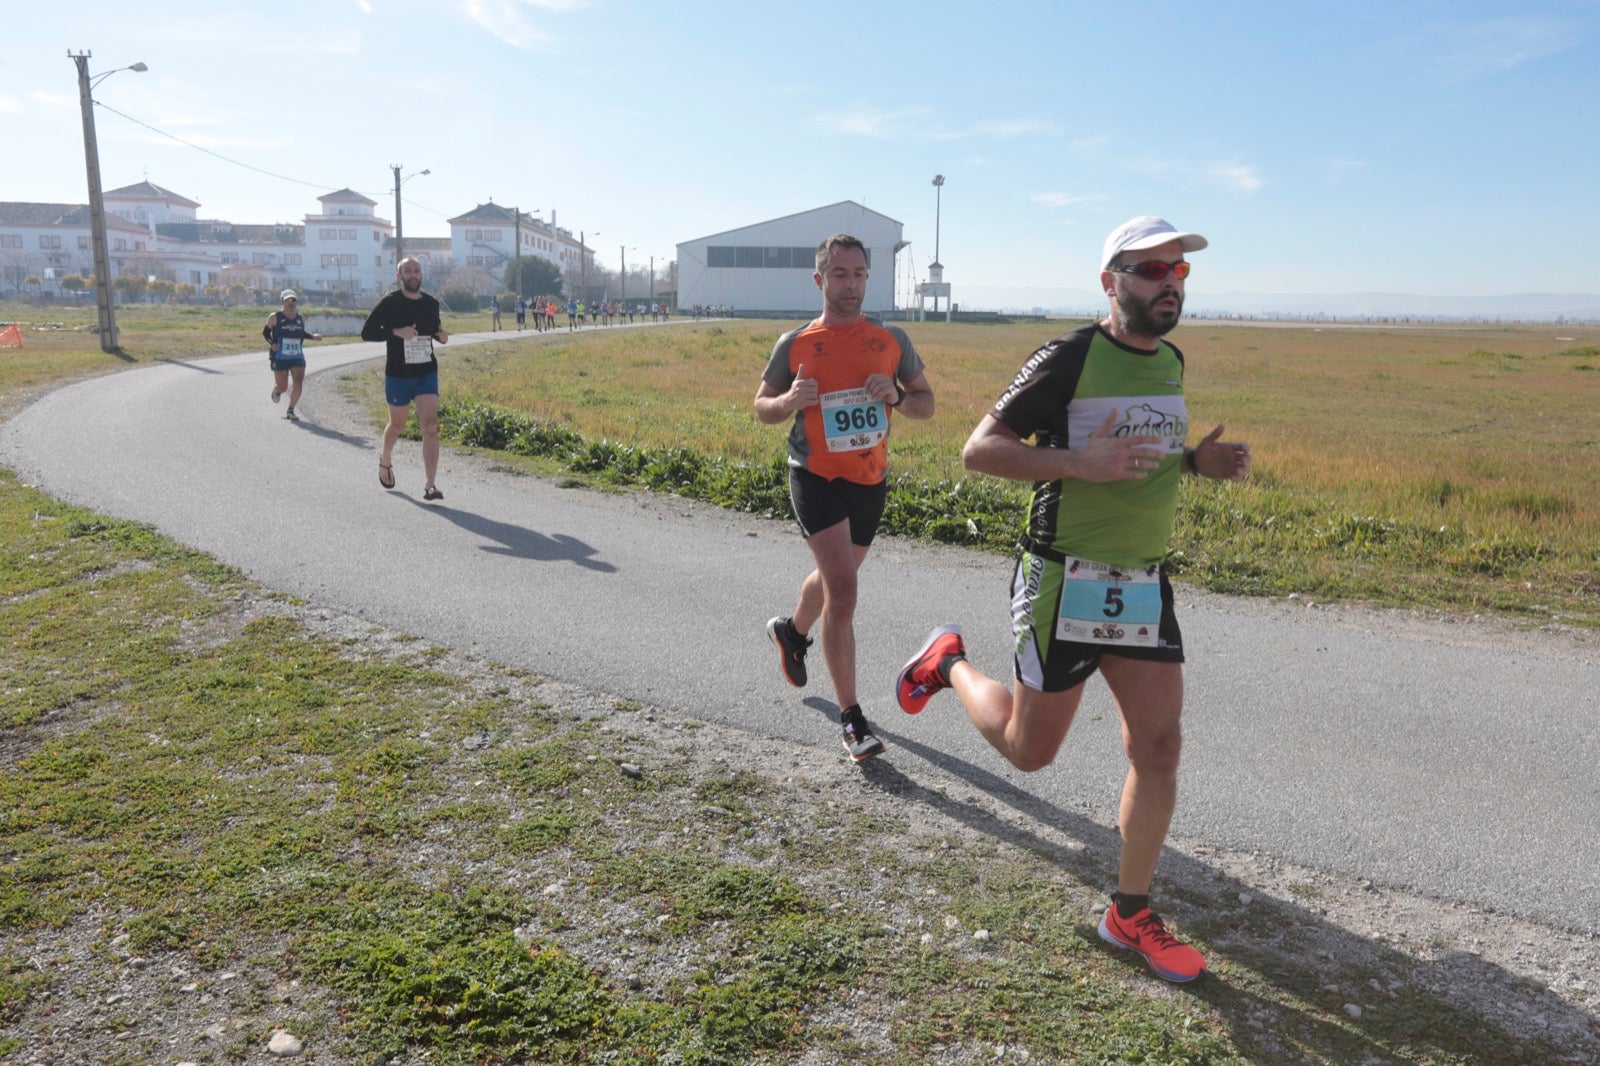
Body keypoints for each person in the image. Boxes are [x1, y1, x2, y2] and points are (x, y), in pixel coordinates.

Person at [893, 216, 1250, 983]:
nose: (1170, 283)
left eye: (1179, 271)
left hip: (1142, 582)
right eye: (1151, 270)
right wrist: (1079, 463)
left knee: (1158, 748)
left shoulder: (1170, 361)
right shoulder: (1068, 358)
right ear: (1109, 281)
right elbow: (980, 450)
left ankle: (1129, 913)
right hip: (1064, 579)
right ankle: (948, 662)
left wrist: (1196, 462)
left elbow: (1143, 454)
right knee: (1030, 752)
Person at [756, 233, 935, 762]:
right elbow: (762, 406)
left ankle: (791, 632)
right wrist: (789, 400)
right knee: (845, 589)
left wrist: (897, 396)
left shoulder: (891, 339)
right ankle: (853, 719)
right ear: (820, 279)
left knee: (836, 578)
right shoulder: (795, 343)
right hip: (814, 474)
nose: (850, 283)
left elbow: (926, 404)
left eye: (858, 274)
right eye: (839, 274)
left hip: (868, 480)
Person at [361, 256, 451, 500]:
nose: (413, 275)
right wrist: (395, 332)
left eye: (416, 270)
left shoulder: (431, 303)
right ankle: (385, 459)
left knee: (430, 426)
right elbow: (367, 333)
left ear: (422, 275)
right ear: (399, 275)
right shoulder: (389, 303)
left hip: (426, 372)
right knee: (397, 425)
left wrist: (441, 336)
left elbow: (434, 329)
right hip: (398, 374)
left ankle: (430, 485)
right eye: (408, 271)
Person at [262, 289, 321, 423]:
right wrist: (272, 344)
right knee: (283, 386)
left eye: (293, 300)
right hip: (280, 356)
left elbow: (300, 333)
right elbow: (265, 333)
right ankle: (277, 390)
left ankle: (290, 410)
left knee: (298, 383)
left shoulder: (300, 318)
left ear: (296, 302)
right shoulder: (274, 317)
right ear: (282, 301)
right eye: (287, 300)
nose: (291, 303)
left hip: (297, 356)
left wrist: (313, 337)